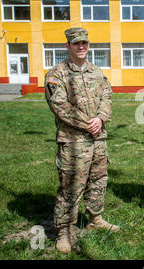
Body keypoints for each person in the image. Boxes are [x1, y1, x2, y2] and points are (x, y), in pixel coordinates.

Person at [45, 27, 118, 254]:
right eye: (76, 43)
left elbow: (107, 96)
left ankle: (95, 217)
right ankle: (64, 231)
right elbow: (60, 105)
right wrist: (89, 122)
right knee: (71, 186)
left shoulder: (97, 72)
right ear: (68, 46)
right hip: (73, 141)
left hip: (98, 139)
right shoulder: (57, 74)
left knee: (98, 179)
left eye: (85, 42)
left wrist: (101, 118)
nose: (81, 46)